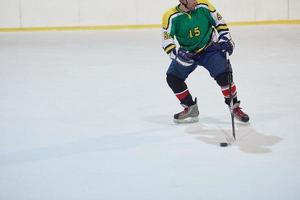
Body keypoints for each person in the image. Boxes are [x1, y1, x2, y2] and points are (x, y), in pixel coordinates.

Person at [161, 0, 249, 123]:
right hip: (187, 53)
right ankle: (190, 107)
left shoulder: (204, 5)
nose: (196, 1)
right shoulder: (170, 16)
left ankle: (234, 106)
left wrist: (225, 38)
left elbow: (220, 23)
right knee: (173, 78)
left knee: (225, 76)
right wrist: (177, 55)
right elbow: (167, 40)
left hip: (209, 49)